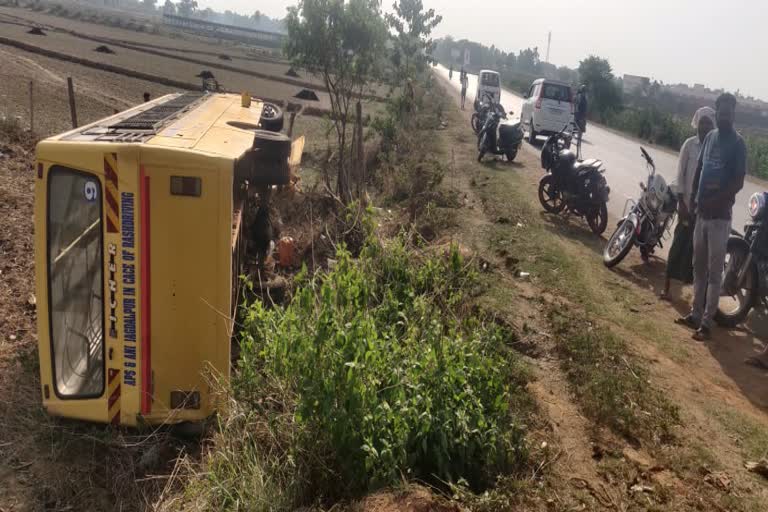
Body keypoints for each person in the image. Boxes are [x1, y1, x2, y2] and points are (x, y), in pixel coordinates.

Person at [676, 93, 747, 341]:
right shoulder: (710, 138)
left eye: (729, 112)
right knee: (699, 268)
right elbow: (700, 170)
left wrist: (715, 201)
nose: (725, 116)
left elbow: (738, 182)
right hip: (702, 215)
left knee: (715, 273)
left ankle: (706, 323)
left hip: (719, 218)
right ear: (717, 113)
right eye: (722, 112)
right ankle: (695, 315)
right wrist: (694, 197)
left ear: (733, 115)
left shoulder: (738, 144)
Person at [661, 107, 716, 299]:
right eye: (703, 122)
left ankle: (685, 291)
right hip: (686, 206)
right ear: (697, 124)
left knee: (694, 252)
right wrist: (682, 204)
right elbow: (681, 175)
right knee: (678, 246)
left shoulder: (715, 148)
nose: (706, 126)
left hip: (702, 211)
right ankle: (668, 289)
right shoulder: (689, 145)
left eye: (709, 123)